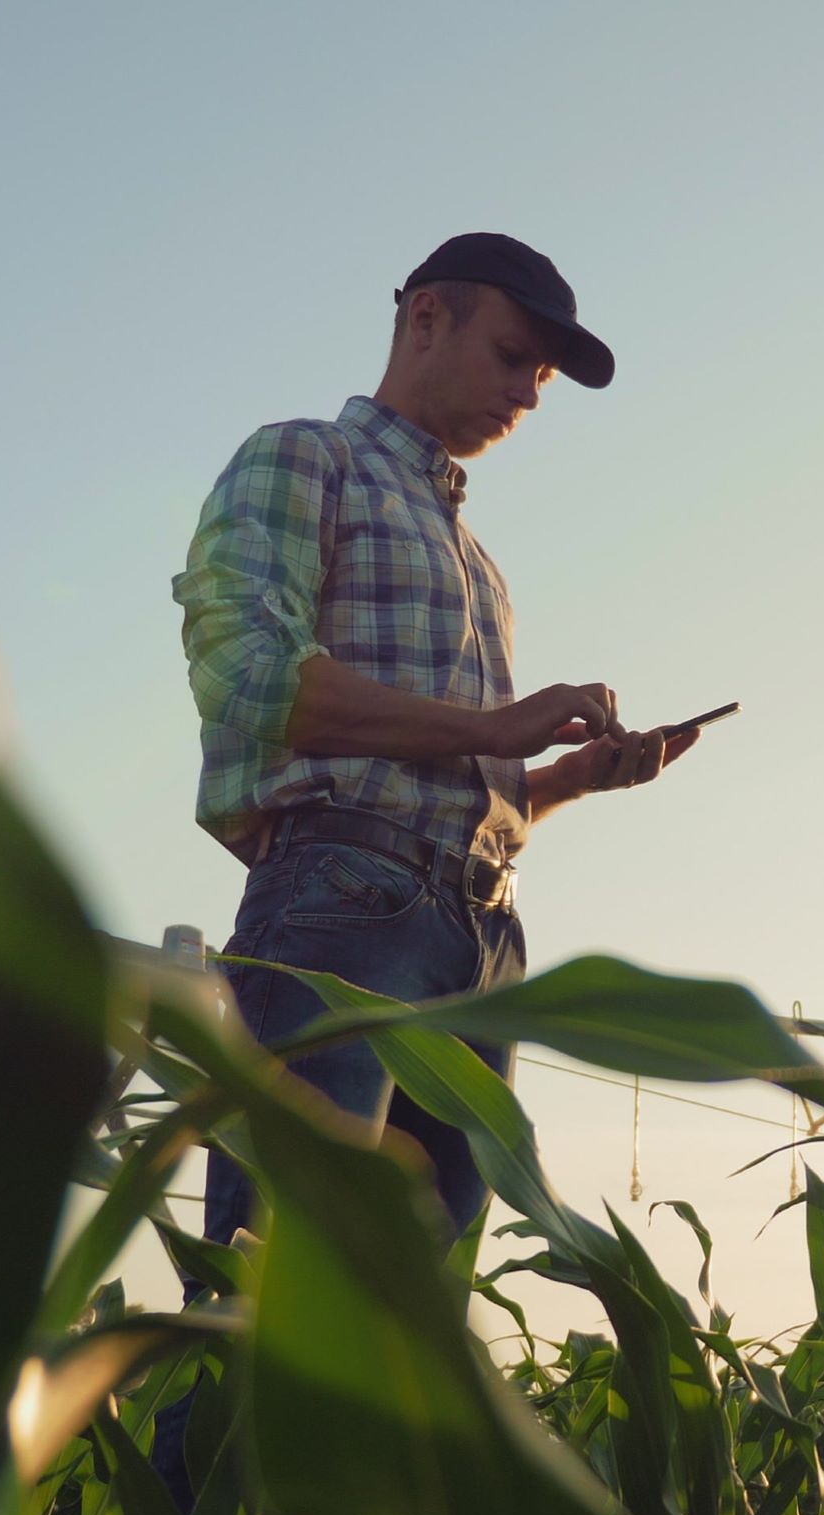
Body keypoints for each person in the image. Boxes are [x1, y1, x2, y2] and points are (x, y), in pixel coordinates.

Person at [168, 230, 698, 1300]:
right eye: (514, 358)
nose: (530, 397)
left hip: (479, 939)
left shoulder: (478, 563)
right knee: (272, 1308)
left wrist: (560, 785)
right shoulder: (304, 459)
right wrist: (495, 729)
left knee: (411, 1343)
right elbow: (252, 684)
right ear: (426, 321)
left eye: (542, 376)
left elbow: (449, 792)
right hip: (343, 910)